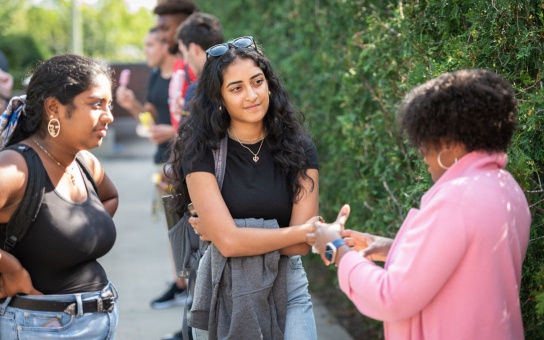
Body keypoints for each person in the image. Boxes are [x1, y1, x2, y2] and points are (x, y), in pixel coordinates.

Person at [310, 69, 531, 339]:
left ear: (449, 143)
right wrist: (392, 249)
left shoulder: (456, 199)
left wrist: (336, 248)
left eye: (426, 139)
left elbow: (391, 297)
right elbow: (471, 265)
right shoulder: (506, 188)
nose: (422, 151)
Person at [168, 36, 320, 339]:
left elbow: (300, 247)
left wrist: (234, 233)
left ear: (269, 84)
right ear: (219, 98)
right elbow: (229, 243)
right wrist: (300, 231)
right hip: (222, 289)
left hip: (288, 285)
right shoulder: (200, 151)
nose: (252, 95)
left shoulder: (299, 148)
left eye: (257, 82)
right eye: (236, 88)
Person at [0, 54, 119, 339]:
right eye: (96, 104)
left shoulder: (84, 162)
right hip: (38, 327)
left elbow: (110, 197)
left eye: (109, 105)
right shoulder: (16, 167)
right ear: (53, 107)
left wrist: (76, 237)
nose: (109, 116)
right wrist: (10, 267)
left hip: (100, 321)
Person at [176, 12, 224, 115]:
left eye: (184, 53)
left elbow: (186, 131)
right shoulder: (237, 77)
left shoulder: (196, 91)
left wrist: (186, 112)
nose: (185, 61)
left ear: (194, 49)